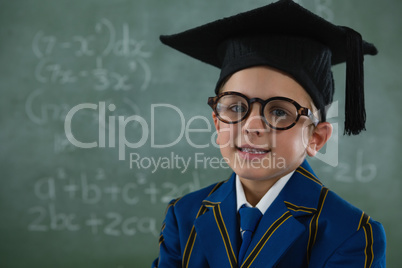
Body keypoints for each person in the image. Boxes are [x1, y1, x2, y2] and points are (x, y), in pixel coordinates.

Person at [152, 0, 386, 267]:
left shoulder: (350, 233)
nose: (252, 126)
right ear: (218, 124)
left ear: (315, 138)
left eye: (279, 112)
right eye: (236, 106)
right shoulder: (183, 216)